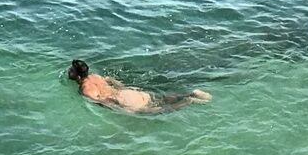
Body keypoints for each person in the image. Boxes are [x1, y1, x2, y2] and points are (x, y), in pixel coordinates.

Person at [68, 58, 208, 114]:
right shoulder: (96, 76)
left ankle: (189, 101)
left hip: (122, 99)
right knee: (161, 99)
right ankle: (190, 94)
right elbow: (110, 79)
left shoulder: (85, 89)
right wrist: (123, 87)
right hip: (128, 92)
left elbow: (102, 101)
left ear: (79, 76)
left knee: (159, 111)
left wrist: (121, 109)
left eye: (71, 71)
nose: (69, 72)